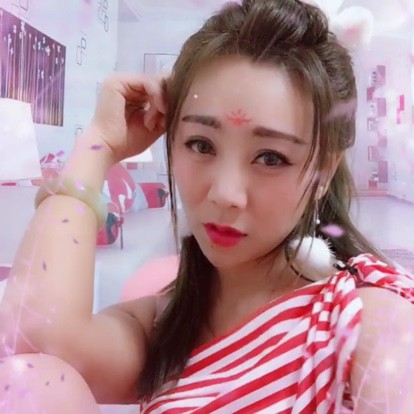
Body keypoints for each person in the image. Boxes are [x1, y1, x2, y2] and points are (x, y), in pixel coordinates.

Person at [1, 0, 414, 412]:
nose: (224, 193)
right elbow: (34, 347)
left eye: (271, 158)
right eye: (201, 145)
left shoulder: (367, 321)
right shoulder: (164, 327)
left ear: (323, 171)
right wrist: (99, 144)